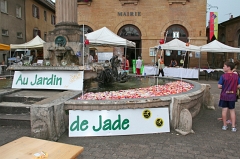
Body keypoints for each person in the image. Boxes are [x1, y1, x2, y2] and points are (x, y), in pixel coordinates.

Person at [218, 61, 240, 132]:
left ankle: (225, 125)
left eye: (224, 66)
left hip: (224, 95)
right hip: (232, 96)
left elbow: (219, 86)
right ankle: (233, 127)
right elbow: (239, 85)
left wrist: (224, 87)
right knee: (232, 110)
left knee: (224, 110)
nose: (223, 67)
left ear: (228, 67)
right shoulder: (236, 76)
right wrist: (234, 87)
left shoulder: (223, 76)